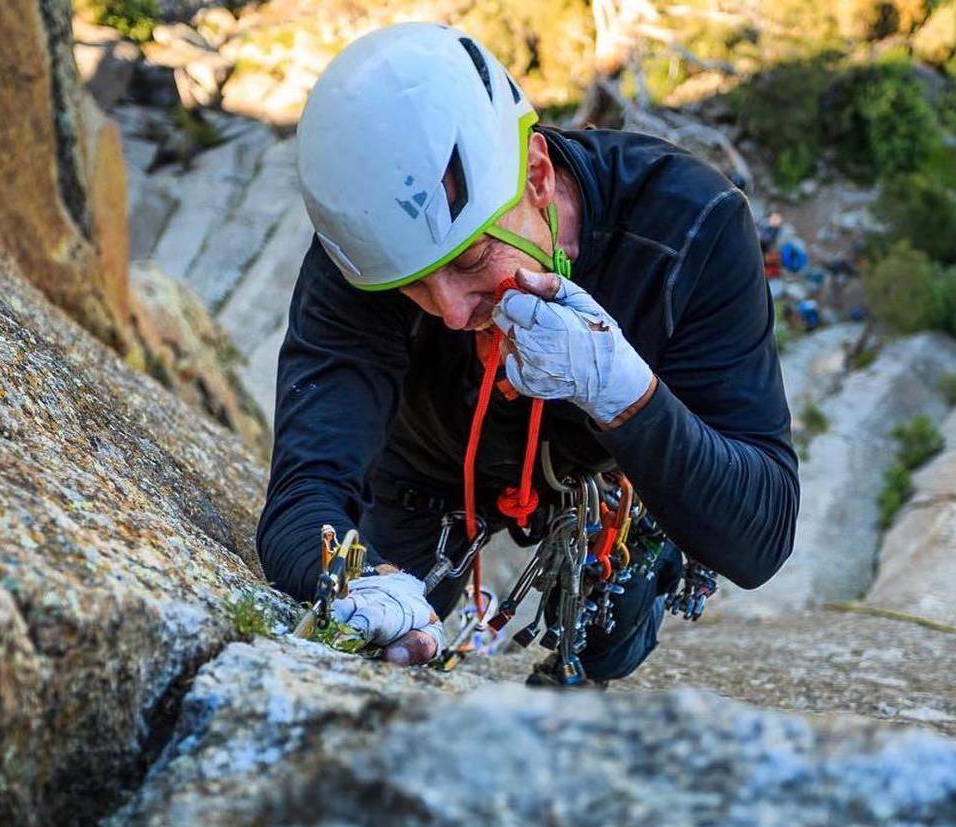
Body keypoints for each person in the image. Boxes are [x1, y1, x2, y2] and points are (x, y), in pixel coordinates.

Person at [257, 23, 799, 679]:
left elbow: (761, 532)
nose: (454, 311)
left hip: (605, 468)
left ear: (537, 175)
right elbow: (302, 494)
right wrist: (352, 583)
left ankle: (630, 554)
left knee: (610, 641)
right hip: (426, 474)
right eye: (415, 289)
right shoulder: (373, 252)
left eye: (473, 259)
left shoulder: (687, 228)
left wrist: (624, 393)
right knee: (381, 639)